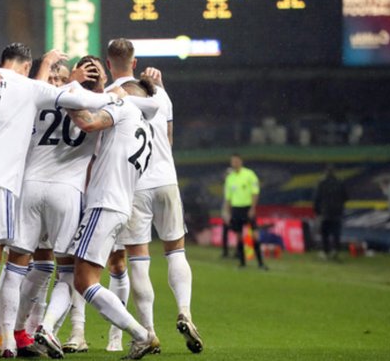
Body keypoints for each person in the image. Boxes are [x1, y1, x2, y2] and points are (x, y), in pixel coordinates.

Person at [0, 43, 122, 361]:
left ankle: (8, 338)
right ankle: (45, 327)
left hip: (23, 188)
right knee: (65, 271)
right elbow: (90, 117)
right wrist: (108, 92)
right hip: (65, 192)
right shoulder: (63, 99)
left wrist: (54, 71)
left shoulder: (28, 97)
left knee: (14, 267)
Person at [34, 75, 161, 360]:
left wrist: (66, 97)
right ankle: (49, 329)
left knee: (84, 280)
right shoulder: (145, 126)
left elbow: (89, 122)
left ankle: (141, 335)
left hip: (104, 204)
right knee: (81, 277)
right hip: (118, 204)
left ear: (126, 94)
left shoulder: (124, 107)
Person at [105, 38, 203, 353]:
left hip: (135, 185)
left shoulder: (110, 96)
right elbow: (169, 140)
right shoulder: (160, 93)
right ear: (134, 62)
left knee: (138, 260)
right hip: (166, 181)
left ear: (110, 64)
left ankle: (148, 331)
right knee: (176, 252)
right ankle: (185, 311)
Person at [223, 153, 267, 270]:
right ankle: (242, 263)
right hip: (236, 209)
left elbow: (255, 192)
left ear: (241, 162)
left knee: (255, 235)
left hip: (248, 208)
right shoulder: (230, 178)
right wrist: (227, 212)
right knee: (239, 236)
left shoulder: (249, 175)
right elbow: (228, 198)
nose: (235, 163)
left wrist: (253, 208)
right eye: (233, 161)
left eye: (237, 161)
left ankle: (261, 263)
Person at [313, 165, 348, 260]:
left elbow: (317, 198)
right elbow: (345, 197)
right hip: (337, 212)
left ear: (325, 173)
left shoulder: (322, 183)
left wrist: (317, 211)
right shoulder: (339, 183)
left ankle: (325, 251)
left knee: (325, 233)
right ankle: (336, 250)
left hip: (325, 212)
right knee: (336, 233)